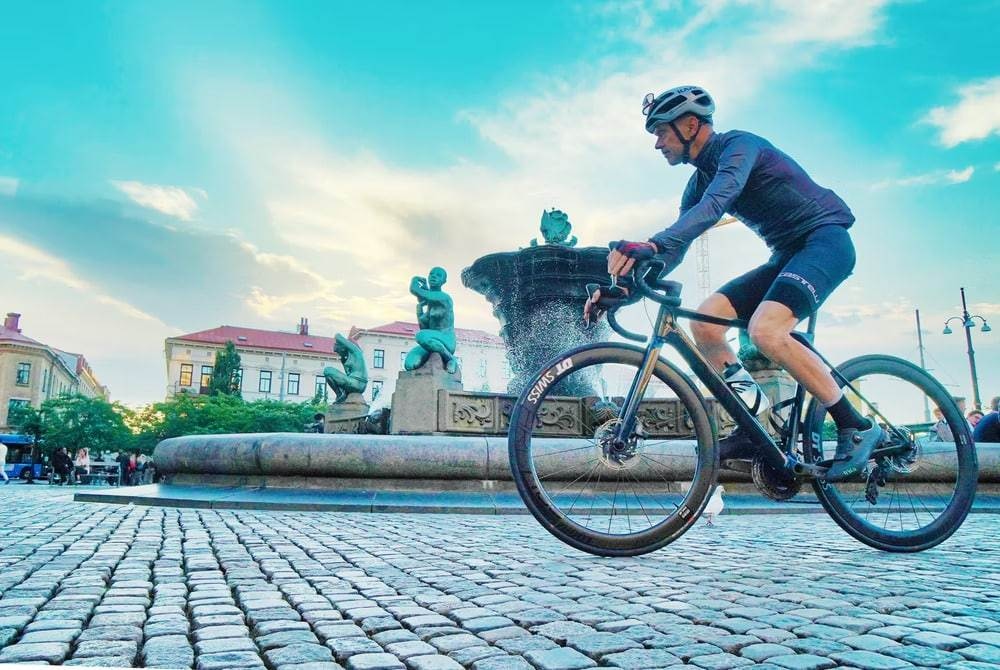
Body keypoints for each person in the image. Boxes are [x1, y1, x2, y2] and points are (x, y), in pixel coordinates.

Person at [584, 85, 879, 482]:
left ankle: (855, 425)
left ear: (691, 124)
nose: (657, 144)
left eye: (661, 131)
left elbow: (715, 205)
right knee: (704, 323)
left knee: (766, 331)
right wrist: (623, 292)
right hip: (787, 256)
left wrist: (651, 242)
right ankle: (757, 426)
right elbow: (676, 249)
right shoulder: (696, 183)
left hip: (825, 241)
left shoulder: (739, 147)